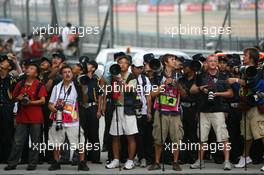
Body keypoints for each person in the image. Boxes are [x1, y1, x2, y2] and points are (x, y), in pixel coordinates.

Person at [190, 54, 233, 170]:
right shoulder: (200, 75)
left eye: (215, 61)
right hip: (203, 110)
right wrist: (200, 88)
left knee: (224, 137)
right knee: (202, 138)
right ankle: (200, 161)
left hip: (218, 110)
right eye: (210, 61)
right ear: (207, 63)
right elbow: (192, 90)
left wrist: (217, 94)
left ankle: (227, 161)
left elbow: (231, 93)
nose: (213, 63)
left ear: (218, 63)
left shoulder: (224, 76)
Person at [4, 63, 47, 171]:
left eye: (32, 68)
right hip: (22, 116)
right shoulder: (20, 83)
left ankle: (32, 164)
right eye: (28, 68)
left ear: (36, 73)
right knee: (17, 141)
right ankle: (12, 163)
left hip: (36, 118)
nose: (28, 69)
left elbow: (43, 100)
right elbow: (13, 98)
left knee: (35, 142)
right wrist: (18, 98)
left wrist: (30, 102)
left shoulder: (39, 84)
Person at [227, 47, 264, 171]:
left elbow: (252, 83)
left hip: (256, 107)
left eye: (245, 55)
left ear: (252, 58)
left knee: (261, 134)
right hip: (245, 106)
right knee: (246, 135)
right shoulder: (244, 70)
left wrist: (236, 79)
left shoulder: (258, 70)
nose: (243, 57)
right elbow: (243, 89)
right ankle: (245, 157)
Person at [148, 54, 186, 171]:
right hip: (160, 111)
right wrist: (164, 84)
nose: (175, 61)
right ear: (165, 62)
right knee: (158, 138)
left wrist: (177, 85)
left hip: (175, 112)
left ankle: (175, 162)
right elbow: (152, 94)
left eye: (175, 59)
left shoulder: (180, 75)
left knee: (176, 138)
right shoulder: (157, 75)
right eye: (172, 59)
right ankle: (157, 162)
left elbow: (184, 94)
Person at [48, 65, 89, 171]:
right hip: (58, 119)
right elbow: (50, 104)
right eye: (65, 72)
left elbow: (85, 102)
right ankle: (56, 162)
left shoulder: (77, 86)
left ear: (72, 74)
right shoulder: (57, 87)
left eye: (69, 72)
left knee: (80, 142)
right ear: (61, 75)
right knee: (56, 142)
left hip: (73, 120)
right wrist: (56, 110)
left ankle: (82, 163)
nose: (67, 74)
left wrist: (84, 89)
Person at [106, 55, 138, 170]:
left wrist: (120, 80)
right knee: (115, 136)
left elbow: (129, 89)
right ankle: (116, 159)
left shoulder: (132, 77)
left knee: (130, 136)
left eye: (125, 63)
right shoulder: (114, 77)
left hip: (128, 109)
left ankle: (130, 160)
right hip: (117, 108)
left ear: (128, 65)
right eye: (120, 63)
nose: (122, 65)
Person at [131, 54, 153, 167]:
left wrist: (149, 111)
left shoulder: (145, 79)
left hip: (143, 111)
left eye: (141, 67)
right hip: (130, 111)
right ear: (132, 67)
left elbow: (148, 95)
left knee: (143, 135)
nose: (139, 69)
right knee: (132, 136)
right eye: (137, 67)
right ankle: (133, 157)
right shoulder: (128, 78)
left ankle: (143, 157)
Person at [79, 60, 102, 163]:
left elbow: (100, 95)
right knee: (83, 133)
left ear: (93, 68)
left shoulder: (97, 79)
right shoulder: (80, 78)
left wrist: (99, 110)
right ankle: (84, 157)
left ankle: (95, 157)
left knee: (94, 134)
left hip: (93, 108)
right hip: (83, 108)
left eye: (89, 65)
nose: (86, 66)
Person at [178, 59, 199, 164]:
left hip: (193, 108)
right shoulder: (180, 79)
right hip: (182, 108)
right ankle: (183, 157)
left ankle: (193, 157)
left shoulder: (198, 79)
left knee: (193, 134)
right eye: (183, 67)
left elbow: (200, 97)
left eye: (186, 67)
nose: (184, 69)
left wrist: (198, 112)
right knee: (182, 135)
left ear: (191, 68)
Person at [0, 55, 16, 163]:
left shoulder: (12, 80)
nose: (1, 63)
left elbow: (15, 96)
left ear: (9, 67)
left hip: (7, 109)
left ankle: (6, 158)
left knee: (7, 133)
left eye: (4, 62)